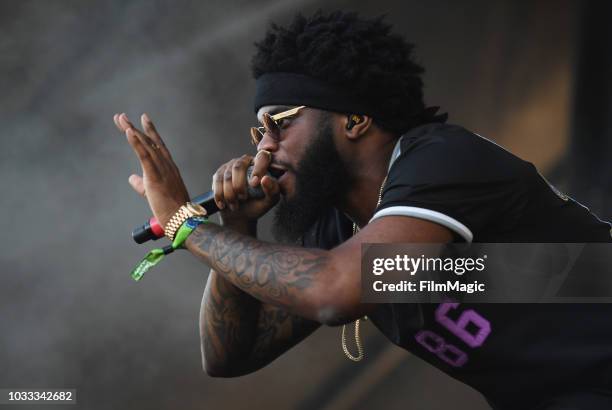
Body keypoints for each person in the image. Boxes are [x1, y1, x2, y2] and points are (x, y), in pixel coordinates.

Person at [115, 11, 612, 410]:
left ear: (354, 119)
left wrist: (184, 223)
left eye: (280, 123)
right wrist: (237, 222)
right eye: (259, 133)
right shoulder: (339, 227)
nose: (264, 151)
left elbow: (334, 291)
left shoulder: (441, 160)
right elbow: (228, 357)